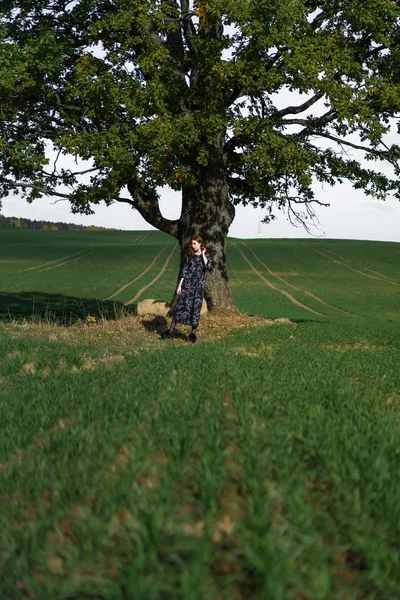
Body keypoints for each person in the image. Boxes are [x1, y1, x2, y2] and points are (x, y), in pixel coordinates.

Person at [162, 235, 213, 343]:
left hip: (198, 287)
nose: (192, 246)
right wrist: (180, 286)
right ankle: (171, 331)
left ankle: (192, 334)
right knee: (180, 307)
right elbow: (184, 272)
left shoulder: (206, 256)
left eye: (195, 243)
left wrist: (203, 254)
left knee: (195, 309)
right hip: (187, 285)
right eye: (192, 244)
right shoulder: (190, 257)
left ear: (200, 244)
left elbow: (208, 266)